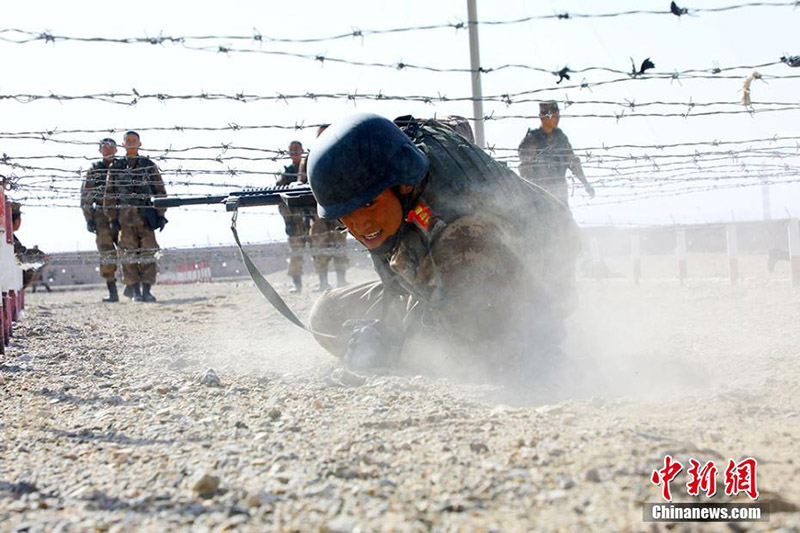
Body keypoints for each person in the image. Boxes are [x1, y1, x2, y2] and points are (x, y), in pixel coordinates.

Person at [306, 113, 580, 377]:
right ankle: (411, 351)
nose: (360, 225)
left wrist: (396, 342)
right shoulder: (404, 173)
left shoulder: (451, 209)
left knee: (459, 251)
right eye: (346, 213)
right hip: (437, 279)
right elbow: (456, 123)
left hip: (534, 270)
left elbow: (452, 268)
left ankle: (495, 353)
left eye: (368, 204)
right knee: (327, 315)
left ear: (402, 184)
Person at [104, 131, 167, 302]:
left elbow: (160, 191)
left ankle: (147, 290)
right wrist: (112, 219)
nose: (131, 143)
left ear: (139, 144)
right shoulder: (116, 168)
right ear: (123, 144)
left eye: (134, 141)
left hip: (145, 216)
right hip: (125, 219)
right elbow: (109, 195)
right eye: (128, 141)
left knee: (148, 253)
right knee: (128, 256)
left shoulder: (148, 165)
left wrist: (161, 215)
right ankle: (135, 292)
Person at [518, 101, 595, 206]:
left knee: (565, 221)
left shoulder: (561, 138)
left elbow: (573, 162)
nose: (557, 119)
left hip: (560, 194)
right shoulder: (532, 139)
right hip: (539, 196)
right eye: (553, 116)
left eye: (557, 115)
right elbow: (525, 169)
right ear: (542, 117)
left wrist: (585, 184)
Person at [305, 125, 349, 292]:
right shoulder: (310, 159)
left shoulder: (341, 155)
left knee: (339, 243)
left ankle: (341, 281)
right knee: (319, 245)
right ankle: (323, 281)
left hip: (339, 207)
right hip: (317, 210)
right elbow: (302, 182)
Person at [81, 138, 121, 302]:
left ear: (116, 150)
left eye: (111, 147)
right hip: (101, 215)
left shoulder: (122, 167)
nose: (108, 150)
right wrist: (89, 218)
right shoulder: (95, 170)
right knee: (106, 252)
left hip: (122, 213)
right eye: (104, 148)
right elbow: (86, 194)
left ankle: (133, 288)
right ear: (100, 151)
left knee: (129, 248)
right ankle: (112, 291)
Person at [275, 140, 311, 293]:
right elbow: (280, 200)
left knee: (323, 248)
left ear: (302, 150)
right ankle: (297, 284)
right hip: (295, 220)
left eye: (297, 149)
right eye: (292, 150)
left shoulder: (310, 169)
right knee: (296, 252)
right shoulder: (286, 174)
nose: (295, 152)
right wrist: (288, 220)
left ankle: (325, 281)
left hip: (312, 216)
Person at [10, 202, 48, 290]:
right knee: (27, 267)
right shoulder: (9, 239)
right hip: (8, 280)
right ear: (18, 221)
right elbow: (21, 254)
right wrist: (38, 256)